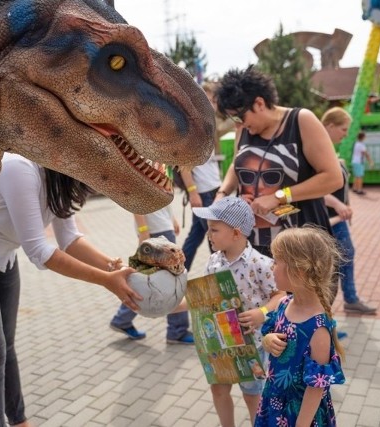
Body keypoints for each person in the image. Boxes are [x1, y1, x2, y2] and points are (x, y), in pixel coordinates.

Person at [0, 153, 142, 427]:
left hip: (2, 261)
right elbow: (39, 250)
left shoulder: (60, 179)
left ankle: (19, 421)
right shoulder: (20, 169)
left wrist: (111, 267)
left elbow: (70, 239)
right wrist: (105, 280)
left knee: (7, 347)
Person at [214, 65, 343, 258]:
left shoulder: (301, 121)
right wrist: (223, 193)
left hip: (300, 244)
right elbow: (236, 165)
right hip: (254, 245)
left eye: (240, 116)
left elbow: (333, 178)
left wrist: (279, 196)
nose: (238, 124)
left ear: (259, 103)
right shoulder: (244, 129)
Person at [192, 196, 285, 427]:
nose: (208, 235)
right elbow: (203, 297)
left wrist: (262, 312)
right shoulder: (213, 261)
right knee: (218, 389)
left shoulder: (260, 263)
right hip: (219, 342)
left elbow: (281, 295)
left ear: (235, 233)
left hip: (251, 344)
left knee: (252, 395)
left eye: (214, 229)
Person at [255, 226, 346, 426]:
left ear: (299, 271)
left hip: (301, 415)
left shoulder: (318, 328)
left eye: (277, 261)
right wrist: (268, 340)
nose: (272, 266)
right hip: (274, 401)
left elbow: (316, 387)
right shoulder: (283, 304)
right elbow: (270, 332)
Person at [109, 203, 194, 344]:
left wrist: (170, 219)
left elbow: (161, 195)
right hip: (154, 230)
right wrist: (143, 231)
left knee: (148, 282)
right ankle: (177, 331)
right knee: (170, 281)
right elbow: (135, 195)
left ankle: (122, 319)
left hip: (162, 226)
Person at [321, 107, 377, 314]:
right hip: (329, 218)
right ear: (330, 126)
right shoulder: (316, 150)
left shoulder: (328, 150)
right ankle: (332, 311)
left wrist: (345, 205)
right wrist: (337, 204)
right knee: (336, 263)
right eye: (343, 129)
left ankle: (345, 302)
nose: (345, 135)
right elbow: (311, 188)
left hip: (338, 217)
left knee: (343, 258)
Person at [179, 82, 223, 272]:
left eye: (213, 100)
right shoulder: (192, 130)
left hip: (214, 189)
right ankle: (218, 274)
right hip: (204, 193)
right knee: (215, 236)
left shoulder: (207, 127)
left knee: (197, 235)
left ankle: (178, 269)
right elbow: (184, 166)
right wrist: (193, 192)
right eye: (207, 100)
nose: (211, 104)